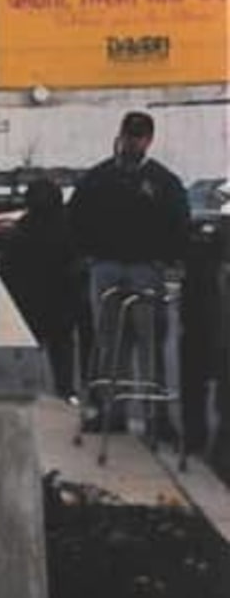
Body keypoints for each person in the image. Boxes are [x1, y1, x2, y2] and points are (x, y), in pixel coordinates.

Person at [67, 111, 190, 434]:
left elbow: (179, 222)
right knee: (110, 342)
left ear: (149, 140)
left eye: (139, 137)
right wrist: (86, 255)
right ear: (120, 135)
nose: (132, 142)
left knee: (150, 343)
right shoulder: (99, 177)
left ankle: (156, 417)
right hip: (106, 267)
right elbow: (76, 217)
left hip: (145, 269)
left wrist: (167, 259)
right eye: (128, 135)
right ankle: (112, 412)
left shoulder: (163, 182)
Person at [0, 178, 91, 400]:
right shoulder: (68, 229)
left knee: (25, 354)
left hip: (27, 303)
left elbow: (7, 268)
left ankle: (23, 391)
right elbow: (78, 267)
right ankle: (66, 392)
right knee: (62, 350)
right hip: (61, 304)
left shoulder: (21, 230)